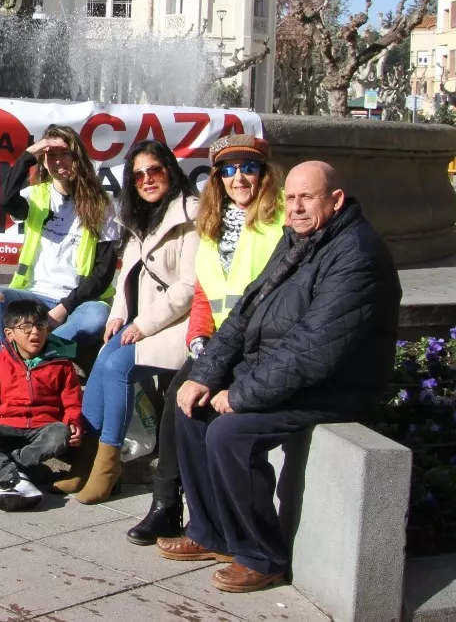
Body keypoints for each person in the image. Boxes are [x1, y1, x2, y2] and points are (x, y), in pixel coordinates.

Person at [159, 162, 401, 594]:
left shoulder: (356, 254)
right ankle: (212, 533)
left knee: (230, 432)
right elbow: (244, 311)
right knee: (189, 405)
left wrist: (241, 395)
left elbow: (314, 350)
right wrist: (206, 375)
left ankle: (261, 555)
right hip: (283, 369)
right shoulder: (299, 239)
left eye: (307, 197)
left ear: (336, 200)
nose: (296, 207)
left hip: (336, 385)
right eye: (290, 198)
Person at [126, 134, 286, 546]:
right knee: (178, 402)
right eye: (228, 170)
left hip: (261, 347)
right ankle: (168, 507)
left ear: (265, 174)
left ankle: (206, 522)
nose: (238, 178)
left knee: (203, 412)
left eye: (248, 168)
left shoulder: (282, 220)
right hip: (216, 345)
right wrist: (198, 338)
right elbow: (204, 292)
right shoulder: (215, 222)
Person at [65, 138, 199, 504]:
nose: (147, 180)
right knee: (102, 360)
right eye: (138, 175)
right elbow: (129, 275)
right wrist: (119, 315)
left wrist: (142, 325)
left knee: (118, 366)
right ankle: (85, 459)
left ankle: (109, 466)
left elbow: (189, 286)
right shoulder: (139, 214)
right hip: (144, 319)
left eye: (154, 170)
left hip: (178, 323)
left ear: (170, 170)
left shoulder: (192, 214)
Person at [0, 125, 116, 371]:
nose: (58, 161)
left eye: (65, 153)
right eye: (50, 155)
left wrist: (65, 307)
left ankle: (30, 364)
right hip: (33, 294)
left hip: (78, 302)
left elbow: (104, 272)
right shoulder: (36, 195)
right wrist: (29, 154)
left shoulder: (101, 203)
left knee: (97, 317)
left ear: (78, 157)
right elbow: (5, 200)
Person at [0, 298, 83, 511]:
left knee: (60, 433)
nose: (35, 332)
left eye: (41, 325)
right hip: (6, 426)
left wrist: (73, 422)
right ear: (10, 334)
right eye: (26, 327)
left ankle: (7, 473)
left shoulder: (61, 364)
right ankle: (16, 478)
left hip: (42, 428)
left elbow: (72, 403)